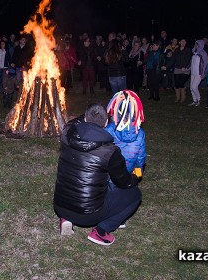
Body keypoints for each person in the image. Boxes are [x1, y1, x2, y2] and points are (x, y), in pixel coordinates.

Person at [53, 103, 141, 246]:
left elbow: (73, 122)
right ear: (106, 123)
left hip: (60, 206)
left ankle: (66, 219)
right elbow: (123, 182)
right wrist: (135, 177)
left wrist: (91, 114)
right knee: (135, 194)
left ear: (85, 119)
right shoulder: (110, 150)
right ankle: (101, 231)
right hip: (88, 215)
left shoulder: (67, 133)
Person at [104, 90, 146, 174]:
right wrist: (138, 173)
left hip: (110, 173)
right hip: (128, 172)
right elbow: (140, 157)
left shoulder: (109, 129)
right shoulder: (139, 133)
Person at [188, 40, 208, 106]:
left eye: (197, 44)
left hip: (199, 73)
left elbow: (205, 64)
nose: (196, 45)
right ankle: (194, 100)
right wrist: (188, 69)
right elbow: (192, 62)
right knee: (191, 87)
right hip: (193, 72)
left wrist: (203, 73)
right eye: (195, 44)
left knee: (194, 87)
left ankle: (199, 99)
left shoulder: (203, 53)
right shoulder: (194, 52)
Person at [173, 39, 191, 103]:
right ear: (179, 42)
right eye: (182, 41)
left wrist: (185, 66)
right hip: (177, 68)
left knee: (181, 83)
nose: (183, 42)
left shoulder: (188, 50)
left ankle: (183, 96)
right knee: (177, 84)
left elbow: (188, 59)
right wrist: (167, 66)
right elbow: (173, 59)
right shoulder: (176, 50)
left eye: (185, 41)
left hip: (185, 69)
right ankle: (178, 97)